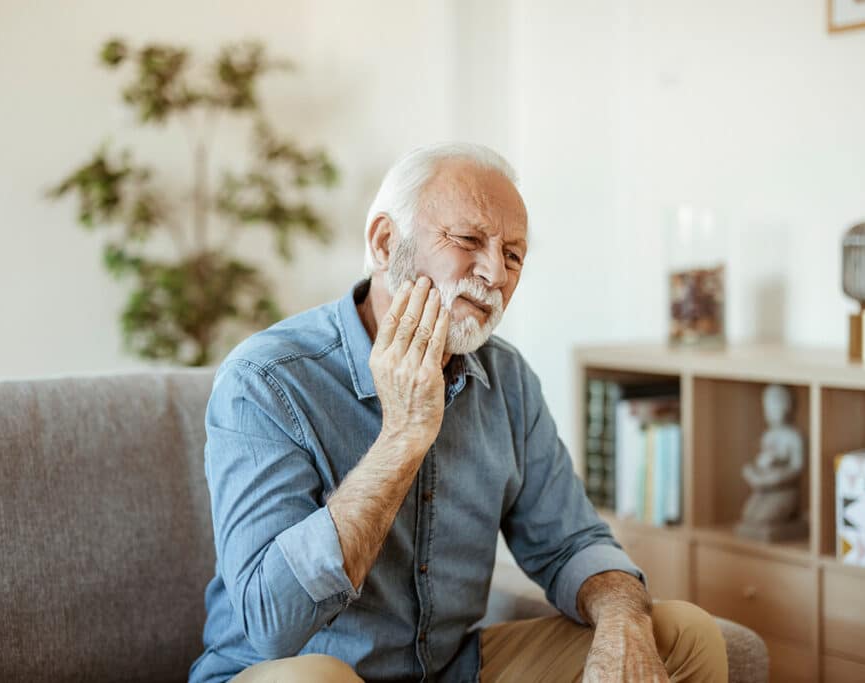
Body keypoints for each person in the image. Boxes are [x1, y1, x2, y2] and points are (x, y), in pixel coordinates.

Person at [189, 143, 728, 683]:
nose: (494, 272)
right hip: (279, 672)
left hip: (450, 672)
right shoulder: (266, 379)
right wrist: (402, 437)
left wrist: (622, 621)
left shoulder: (507, 379)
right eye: (468, 240)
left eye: (513, 255)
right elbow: (270, 623)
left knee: (681, 634)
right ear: (384, 243)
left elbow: (572, 543)